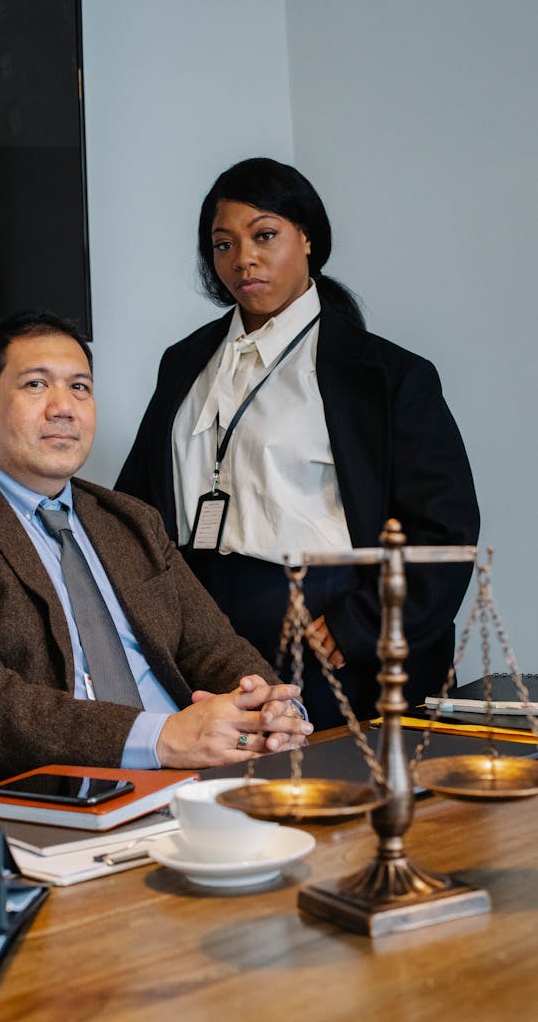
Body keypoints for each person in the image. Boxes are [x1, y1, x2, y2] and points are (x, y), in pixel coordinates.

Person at [0, 310, 311, 815]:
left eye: (80, 387)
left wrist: (269, 707)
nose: (64, 408)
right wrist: (160, 737)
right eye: (35, 384)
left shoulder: (128, 519)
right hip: (25, 799)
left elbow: (213, 646)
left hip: (192, 783)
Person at [116, 158, 480, 729]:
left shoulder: (387, 374)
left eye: (265, 235)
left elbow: (446, 529)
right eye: (222, 244)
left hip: (327, 627)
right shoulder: (184, 361)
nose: (243, 259)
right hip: (199, 628)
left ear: (307, 237)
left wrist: (362, 626)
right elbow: (135, 507)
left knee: (341, 799)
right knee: (225, 800)